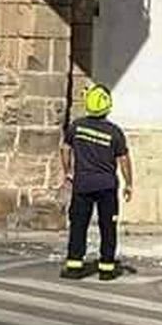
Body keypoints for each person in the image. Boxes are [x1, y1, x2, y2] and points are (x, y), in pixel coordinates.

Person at [59, 82, 133, 281]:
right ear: (108, 106)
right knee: (108, 227)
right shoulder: (114, 132)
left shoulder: (77, 126)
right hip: (107, 187)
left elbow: (65, 149)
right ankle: (106, 269)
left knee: (78, 225)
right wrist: (129, 184)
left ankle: (74, 266)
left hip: (82, 185)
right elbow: (124, 159)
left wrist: (68, 172)